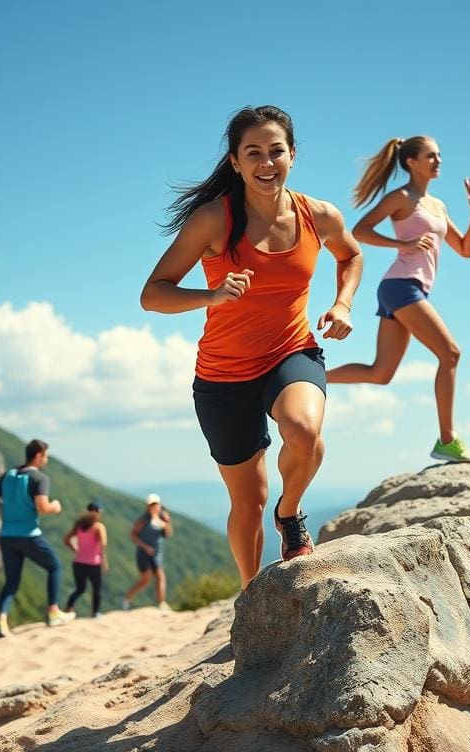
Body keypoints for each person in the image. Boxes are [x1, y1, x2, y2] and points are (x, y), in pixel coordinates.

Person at [141, 105, 363, 587]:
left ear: (293, 156)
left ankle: (291, 513)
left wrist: (342, 304)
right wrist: (212, 295)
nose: (267, 163)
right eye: (254, 153)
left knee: (304, 432)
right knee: (248, 501)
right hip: (222, 375)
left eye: (276, 151)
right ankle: (250, 597)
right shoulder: (213, 221)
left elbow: (352, 255)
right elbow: (153, 294)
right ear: (236, 162)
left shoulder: (319, 215)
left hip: (291, 353)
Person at [326, 136, 470, 464]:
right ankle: (447, 439)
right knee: (451, 353)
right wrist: (405, 245)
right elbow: (360, 230)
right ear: (411, 161)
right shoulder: (401, 198)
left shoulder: (438, 205)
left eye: (439, 155)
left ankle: (313, 377)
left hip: (412, 289)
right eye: (431, 156)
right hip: (401, 286)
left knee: (381, 374)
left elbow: (466, 250)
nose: (438, 161)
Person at [0, 439, 75, 634]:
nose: (47, 460)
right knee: (54, 566)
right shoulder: (39, 478)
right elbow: (43, 507)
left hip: (7, 535)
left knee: (12, 581)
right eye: (46, 456)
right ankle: (53, 612)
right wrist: (56, 506)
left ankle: (2, 621)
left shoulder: (8, 475)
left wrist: (4, 511)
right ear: (39, 455)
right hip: (29, 535)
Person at [121, 494, 172, 610]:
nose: (154, 507)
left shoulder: (162, 519)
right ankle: (127, 598)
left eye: (156, 504)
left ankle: (161, 603)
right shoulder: (143, 520)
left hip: (157, 554)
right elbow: (133, 535)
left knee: (160, 577)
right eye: (151, 505)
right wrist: (145, 547)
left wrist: (167, 522)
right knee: (146, 580)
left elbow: (168, 534)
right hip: (144, 554)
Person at [63, 502, 108, 618]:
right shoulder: (99, 527)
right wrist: (104, 562)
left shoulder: (79, 525)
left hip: (78, 562)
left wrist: (76, 550)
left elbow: (66, 540)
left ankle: (68, 608)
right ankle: (96, 613)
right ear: (97, 513)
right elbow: (103, 545)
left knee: (80, 589)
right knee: (97, 589)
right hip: (93, 563)